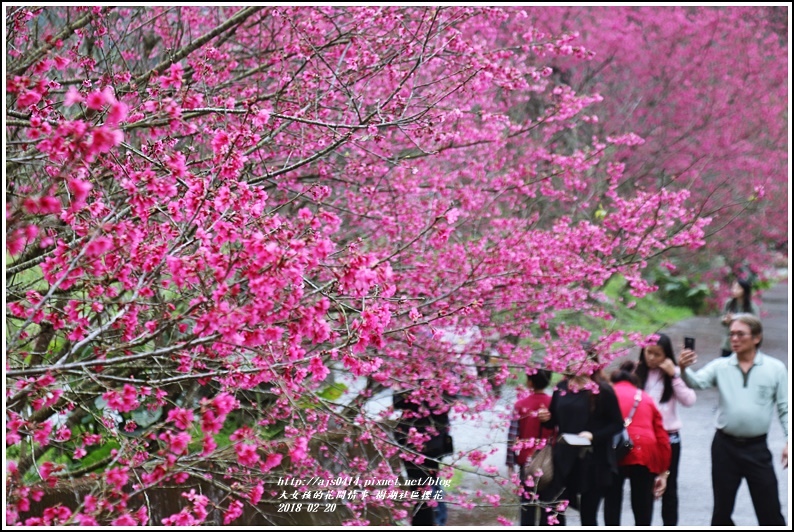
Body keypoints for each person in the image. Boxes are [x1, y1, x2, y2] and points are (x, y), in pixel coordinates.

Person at [679, 313, 788, 526]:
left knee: (770, 510)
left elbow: (785, 407)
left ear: (756, 338)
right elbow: (697, 382)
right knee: (721, 511)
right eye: (731, 335)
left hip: (756, 448)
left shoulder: (775, 369)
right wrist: (684, 368)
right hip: (724, 447)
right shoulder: (721, 366)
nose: (734, 339)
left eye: (740, 334)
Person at [537, 352, 624, 526]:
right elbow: (554, 422)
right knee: (553, 510)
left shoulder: (602, 390)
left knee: (588, 515)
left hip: (593, 460)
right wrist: (546, 419)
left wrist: (594, 435)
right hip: (563, 459)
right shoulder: (561, 388)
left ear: (593, 364)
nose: (578, 364)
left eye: (583, 360)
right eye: (573, 359)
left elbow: (617, 424)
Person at [633, 333, 696, 525]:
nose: (652, 358)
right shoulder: (636, 373)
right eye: (648, 353)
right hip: (643, 439)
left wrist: (674, 375)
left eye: (657, 354)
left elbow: (689, 400)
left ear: (666, 355)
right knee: (642, 489)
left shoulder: (672, 374)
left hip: (668, 439)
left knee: (669, 488)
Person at [603, 361, 672, 526]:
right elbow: (662, 437)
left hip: (615, 449)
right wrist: (663, 471)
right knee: (642, 504)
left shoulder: (607, 394)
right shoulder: (645, 398)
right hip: (643, 450)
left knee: (612, 500)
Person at [393, 388, 453, 526]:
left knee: (424, 484)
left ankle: (433, 519)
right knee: (424, 484)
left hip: (430, 442)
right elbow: (399, 403)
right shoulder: (407, 380)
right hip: (418, 441)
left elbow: (445, 405)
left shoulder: (441, 382)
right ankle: (433, 519)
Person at [506, 369, 556, 525]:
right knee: (547, 506)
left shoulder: (520, 405)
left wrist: (510, 463)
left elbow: (512, 436)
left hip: (526, 462)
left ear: (530, 382)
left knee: (527, 506)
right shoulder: (554, 404)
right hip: (550, 462)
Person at [719, 278, 759, 357]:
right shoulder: (729, 303)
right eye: (733, 287)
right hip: (729, 342)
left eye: (737, 288)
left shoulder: (752, 307)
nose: (734, 290)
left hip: (745, 343)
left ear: (744, 290)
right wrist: (726, 320)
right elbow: (722, 319)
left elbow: (756, 324)